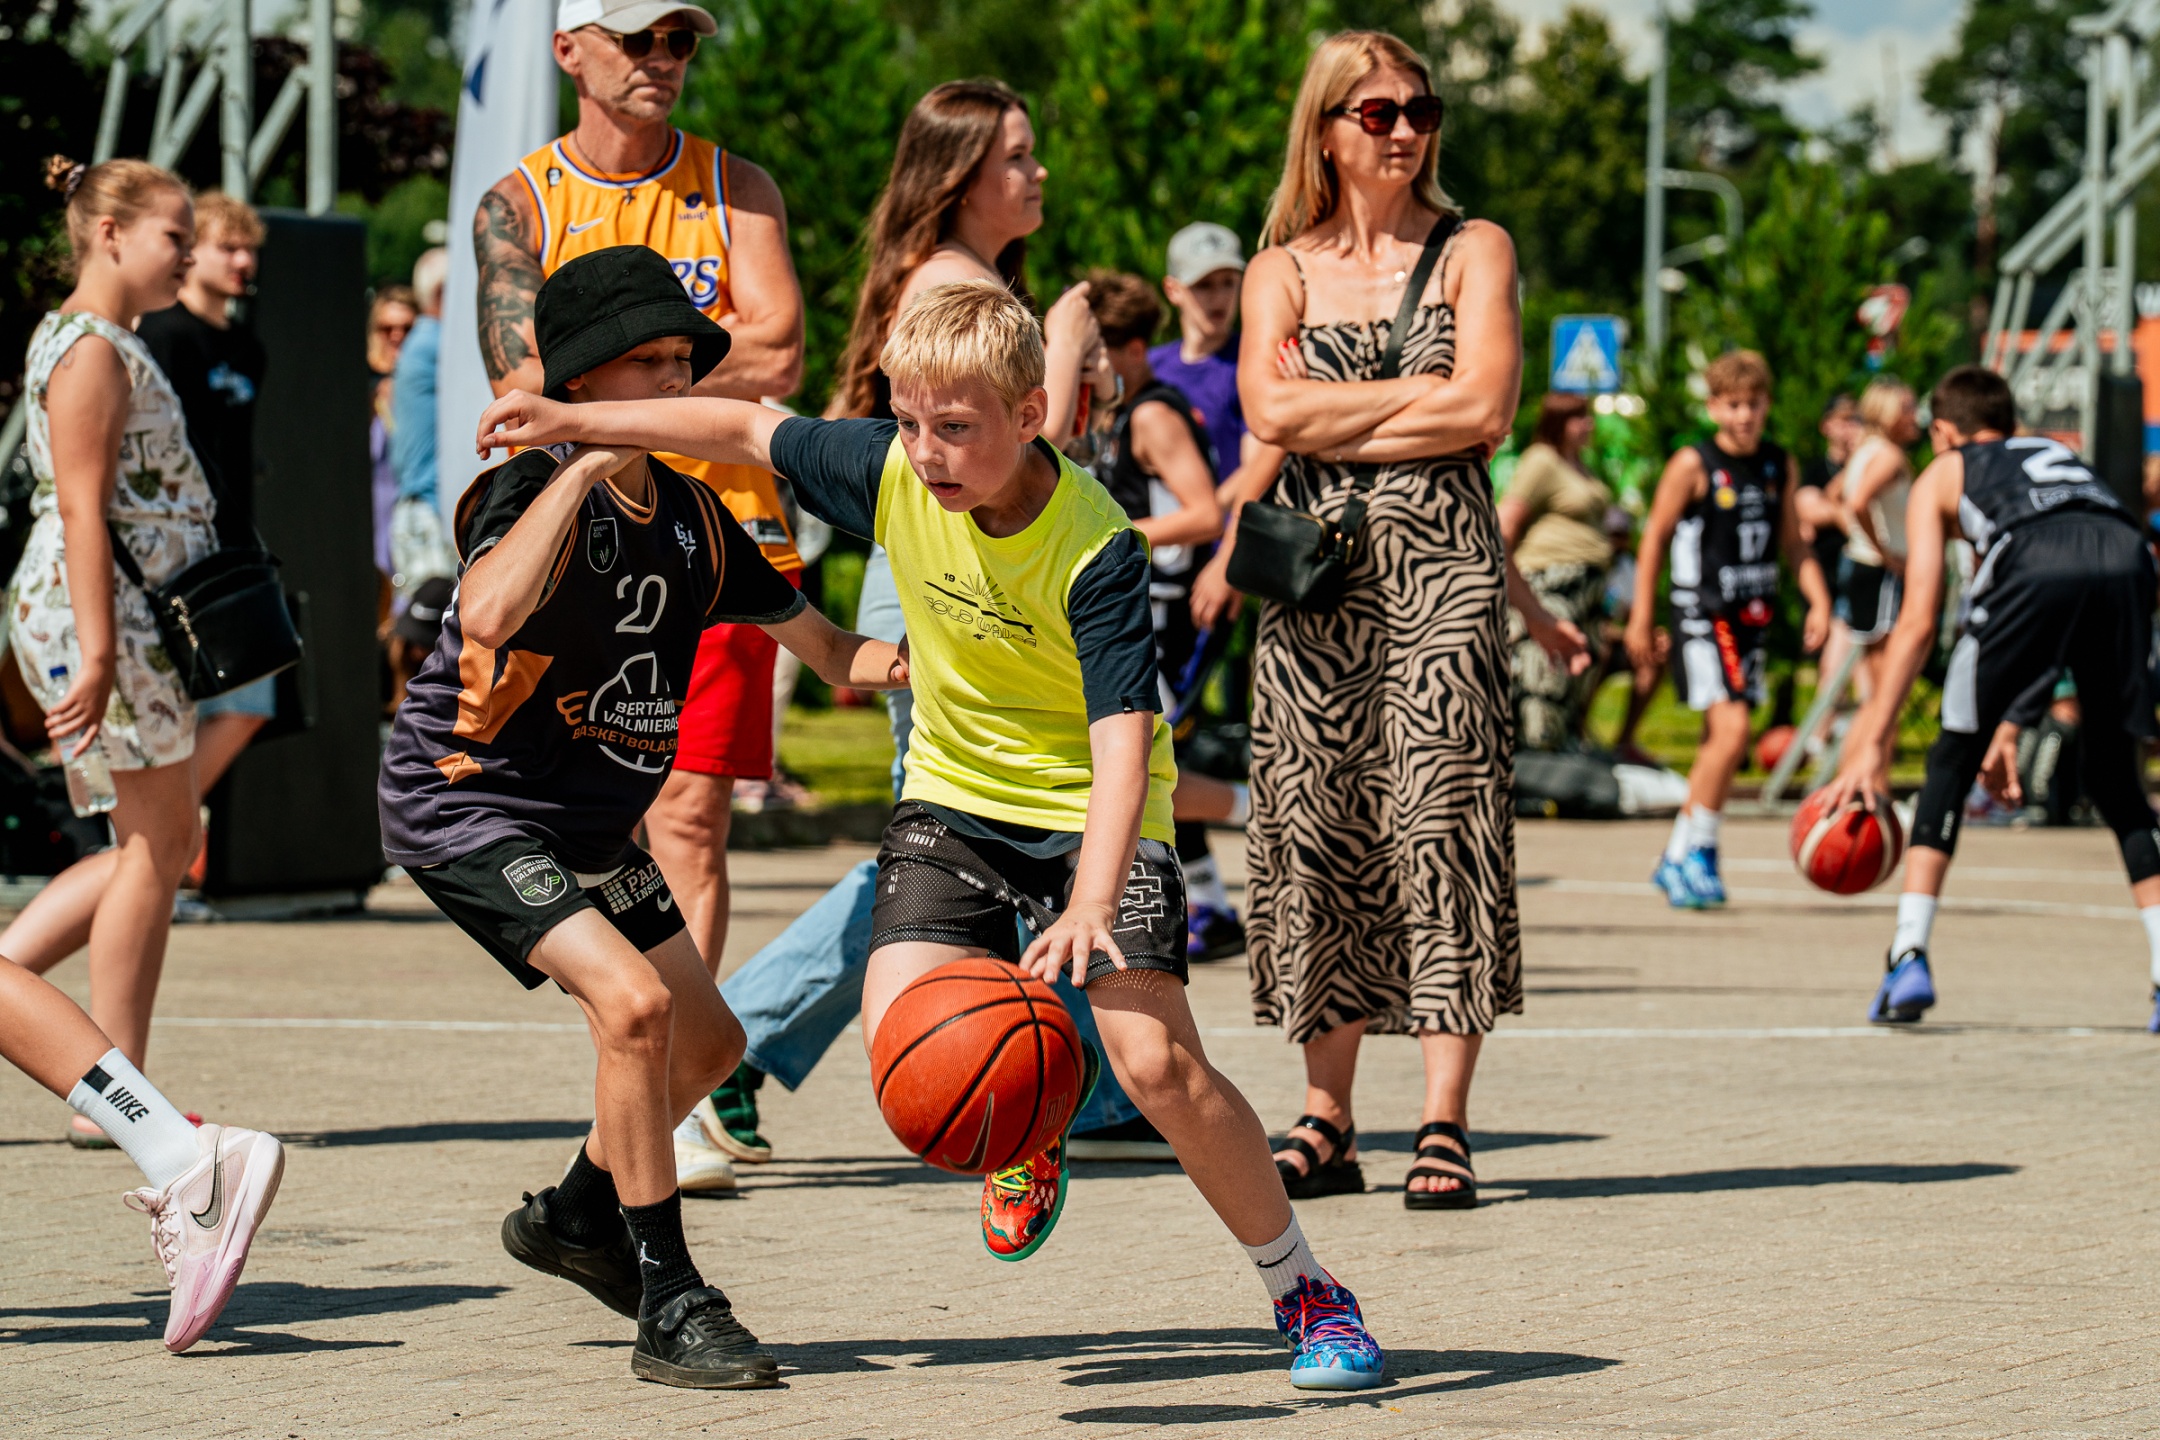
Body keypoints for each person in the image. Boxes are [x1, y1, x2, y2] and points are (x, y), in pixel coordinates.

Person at [478, 276, 1389, 1391]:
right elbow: (742, 426)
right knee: (910, 1041)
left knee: (1156, 1063)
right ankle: (1030, 1117)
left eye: (954, 428)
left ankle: (1306, 1289)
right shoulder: (894, 470)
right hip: (954, 800)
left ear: (1031, 415)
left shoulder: (1095, 548)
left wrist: (1092, 901)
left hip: (1088, 812)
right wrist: (570, 418)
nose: (926, 453)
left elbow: (1121, 745)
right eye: (908, 423)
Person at [387, 246, 904, 1387]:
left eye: (685, 359)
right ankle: (670, 1300)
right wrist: (579, 464)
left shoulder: (696, 518)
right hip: (470, 801)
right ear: (582, 378)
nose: (677, 378)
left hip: (586, 825)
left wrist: (948, 659)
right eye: (648, 361)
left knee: (712, 1043)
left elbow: (830, 652)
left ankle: (577, 1216)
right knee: (634, 1007)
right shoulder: (529, 488)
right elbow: (488, 613)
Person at [694, 79, 1161, 1169]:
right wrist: (1068, 336)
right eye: (1016, 157)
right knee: (945, 849)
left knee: (1012, 833)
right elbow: (1016, 437)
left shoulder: (970, 276)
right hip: (939, 583)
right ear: (959, 179)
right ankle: (734, 1049)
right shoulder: (950, 281)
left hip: (975, 574)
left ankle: (1079, 1093)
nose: (1037, 173)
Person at [1226, 31, 1584, 1212]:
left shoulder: (1477, 248)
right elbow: (1266, 412)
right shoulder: (1278, 270)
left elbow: (1487, 405)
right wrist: (1416, 401)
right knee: (1317, 823)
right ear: (1327, 130)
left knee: (1444, 824)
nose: (1403, 132)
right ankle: (1326, 1117)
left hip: (1445, 577)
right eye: (1376, 113)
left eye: (1420, 110)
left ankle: (1444, 1117)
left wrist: (1332, 411)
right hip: (1317, 587)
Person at [472, 0, 808, 1036]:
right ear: (569, 50)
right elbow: (519, 380)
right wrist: (699, 366)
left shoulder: (738, 186)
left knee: (693, 819)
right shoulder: (519, 203)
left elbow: (783, 352)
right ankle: (639, 1046)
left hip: (721, 534)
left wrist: (604, 381)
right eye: (636, 37)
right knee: (603, 825)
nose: (662, 58)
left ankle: (676, 1079)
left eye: (680, 40)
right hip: (579, 546)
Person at [1817, 366, 2160, 1029]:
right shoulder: (2057, 455)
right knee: (2117, 779)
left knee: (1950, 760)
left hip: (2037, 558)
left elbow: (1920, 621)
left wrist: (1872, 744)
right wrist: (2010, 724)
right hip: (2128, 557)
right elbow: (2058, 613)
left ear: (1946, 432)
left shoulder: (1946, 472)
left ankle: (1907, 955)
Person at [5, 157, 221, 1143]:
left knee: (157, 838)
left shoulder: (103, 339)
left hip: (121, 614)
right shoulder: (91, 347)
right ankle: (117, 1094)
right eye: (175, 237)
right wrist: (96, 655)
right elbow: (83, 509)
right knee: (151, 843)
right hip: (109, 617)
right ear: (110, 233)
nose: (188, 256)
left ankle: (35, 1011)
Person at [1084, 271, 1257, 970]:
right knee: (1152, 767)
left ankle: (1271, 811)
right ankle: (1210, 907)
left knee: (1145, 769)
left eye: (1093, 354)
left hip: (1172, 618)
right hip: (1135, 611)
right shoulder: (1113, 413)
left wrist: (1109, 539)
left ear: (1129, 350)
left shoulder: (1154, 415)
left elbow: (1204, 513)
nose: (1083, 368)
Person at [1630, 350, 1831, 910]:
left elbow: (1793, 542)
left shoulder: (1777, 464)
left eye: (1754, 404)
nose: (1744, 415)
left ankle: (1676, 854)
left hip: (1751, 616)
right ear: (1714, 407)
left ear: (1767, 405)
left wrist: (1817, 599)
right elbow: (1654, 538)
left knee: (1716, 743)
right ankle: (1700, 849)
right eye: (1733, 405)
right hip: (1703, 613)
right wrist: (1642, 615)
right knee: (1734, 730)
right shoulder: (1693, 464)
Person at [1499, 392, 1612, 751]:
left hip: (1586, 590)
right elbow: (1506, 522)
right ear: (1558, 422)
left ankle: (1563, 748)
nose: (1588, 425)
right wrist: (1508, 581)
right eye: (1579, 417)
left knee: (1580, 670)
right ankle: (1536, 752)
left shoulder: (1580, 464)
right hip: (1550, 582)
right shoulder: (1541, 461)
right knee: (1547, 672)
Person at [1829, 378, 1921, 770]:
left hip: (1862, 567)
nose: (1915, 417)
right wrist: (1885, 552)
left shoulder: (1864, 451)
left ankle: (1853, 778)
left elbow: (1837, 497)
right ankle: (1871, 781)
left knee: (1875, 694)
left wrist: (1859, 540)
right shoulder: (1888, 456)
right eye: (1907, 408)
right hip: (1880, 574)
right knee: (1888, 693)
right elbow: (1855, 502)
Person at [1792, 392, 1861, 757]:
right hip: (1827, 581)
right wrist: (1844, 512)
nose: (1850, 428)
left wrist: (1831, 508)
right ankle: (1826, 734)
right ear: (1827, 426)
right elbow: (1807, 510)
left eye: (1856, 420)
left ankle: (1828, 736)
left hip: (1860, 583)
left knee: (1852, 665)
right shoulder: (1817, 470)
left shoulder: (1868, 466)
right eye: (1844, 420)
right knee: (1835, 664)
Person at [391, 247, 456, 595]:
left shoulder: (423, 341)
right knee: (437, 620)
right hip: (431, 511)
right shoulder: (438, 345)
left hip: (422, 508)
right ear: (443, 292)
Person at [368, 285, 418, 589]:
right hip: (371, 529)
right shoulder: (361, 386)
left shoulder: (428, 391)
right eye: (387, 328)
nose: (397, 336)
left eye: (407, 328)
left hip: (415, 527)